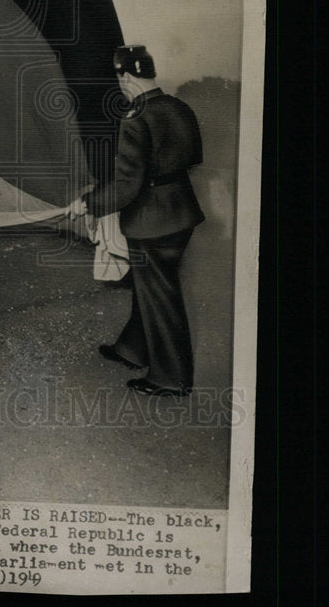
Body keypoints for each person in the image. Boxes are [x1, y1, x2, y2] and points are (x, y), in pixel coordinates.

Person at [66, 45, 204, 397]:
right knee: (153, 286)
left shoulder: (136, 119)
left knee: (161, 296)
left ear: (125, 76)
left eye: (119, 78)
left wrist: (88, 203)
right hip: (181, 214)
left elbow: (128, 188)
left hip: (151, 222)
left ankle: (171, 378)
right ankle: (133, 349)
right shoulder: (179, 108)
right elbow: (193, 160)